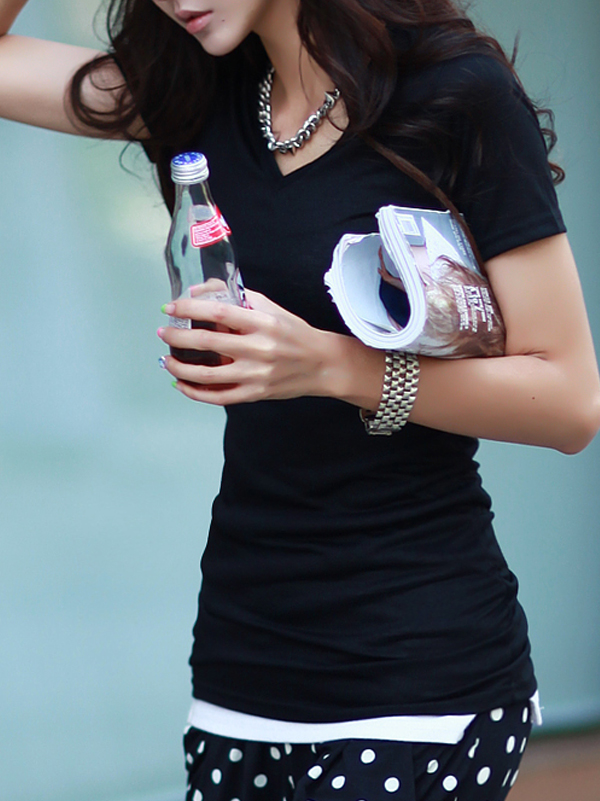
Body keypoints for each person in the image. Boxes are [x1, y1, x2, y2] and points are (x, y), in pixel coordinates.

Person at [2, 1, 600, 799]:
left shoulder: (455, 92)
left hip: (416, 670)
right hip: (242, 666)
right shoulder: (196, 97)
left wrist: (331, 365)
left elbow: (569, 400)